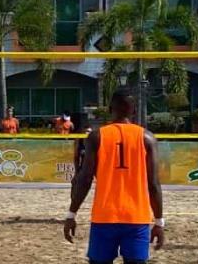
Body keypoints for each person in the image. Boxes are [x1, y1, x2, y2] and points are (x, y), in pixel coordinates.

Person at [64, 88, 164, 264]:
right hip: (136, 217)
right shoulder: (147, 138)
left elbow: (85, 179)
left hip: (105, 216)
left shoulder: (97, 137)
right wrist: (159, 222)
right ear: (133, 110)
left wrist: (72, 214)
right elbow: (153, 183)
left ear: (111, 109)